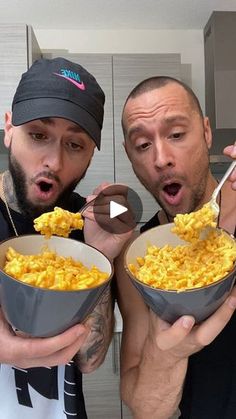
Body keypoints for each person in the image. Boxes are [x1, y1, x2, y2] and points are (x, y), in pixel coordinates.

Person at [0, 57, 133, 419]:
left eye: (75, 145)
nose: (54, 162)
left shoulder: (85, 222)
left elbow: (90, 361)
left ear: (91, 156)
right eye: (39, 135)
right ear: (9, 127)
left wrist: (101, 255)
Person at [116, 76, 236, 419]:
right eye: (142, 144)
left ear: (206, 132)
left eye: (177, 135)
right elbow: (146, 408)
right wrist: (167, 355)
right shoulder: (139, 261)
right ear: (129, 155)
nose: (161, 158)